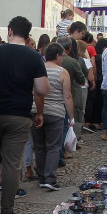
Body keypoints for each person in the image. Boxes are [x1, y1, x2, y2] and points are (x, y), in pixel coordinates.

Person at [0, 16, 49, 214]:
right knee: (12, 163)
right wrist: (39, 112)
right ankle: (7, 212)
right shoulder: (34, 57)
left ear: (9, 31)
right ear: (28, 35)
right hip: (18, 115)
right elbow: (42, 89)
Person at [34, 43, 74, 191]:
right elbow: (67, 96)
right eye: (62, 55)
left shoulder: (39, 68)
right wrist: (71, 117)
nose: (63, 58)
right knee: (53, 146)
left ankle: (41, 178)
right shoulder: (62, 72)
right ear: (57, 55)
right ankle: (50, 178)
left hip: (36, 110)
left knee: (39, 146)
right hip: (55, 112)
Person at [56, 37, 86, 161]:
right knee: (64, 127)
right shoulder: (72, 62)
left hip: (51, 99)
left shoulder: (46, 61)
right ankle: (62, 154)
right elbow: (81, 80)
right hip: (67, 96)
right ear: (69, 48)